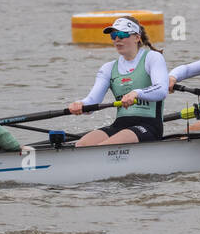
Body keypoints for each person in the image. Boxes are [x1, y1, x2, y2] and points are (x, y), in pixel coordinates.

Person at [67, 17, 169, 146]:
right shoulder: (108, 68)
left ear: (137, 37)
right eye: (114, 35)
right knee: (81, 145)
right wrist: (80, 104)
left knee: (104, 147)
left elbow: (161, 90)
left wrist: (136, 93)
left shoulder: (152, 58)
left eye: (122, 34)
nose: (117, 39)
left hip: (148, 126)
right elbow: (93, 102)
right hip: (120, 125)